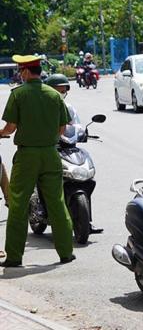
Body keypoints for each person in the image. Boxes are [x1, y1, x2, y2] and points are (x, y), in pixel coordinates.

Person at [0, 55, 75, 267]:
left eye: (19, 70)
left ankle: (14, 257)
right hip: (51, 155)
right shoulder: (54, 95)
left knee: (18, 205)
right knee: (57, 203)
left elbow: (10, 128)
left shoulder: (19, 94)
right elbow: (62, 129)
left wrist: (0, 134)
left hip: (27, 157)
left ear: (25, 71)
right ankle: (66, 253)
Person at [45, 74, 103, 234]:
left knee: (86, 179)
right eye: (59, 90)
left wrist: (82, 132)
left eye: (64, 90)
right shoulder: (42, 107)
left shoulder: (68, 108)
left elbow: (76, 124)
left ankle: (87, 221)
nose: (62, 93)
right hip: (48, 148)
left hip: (68, 147)